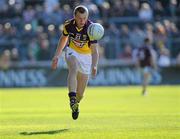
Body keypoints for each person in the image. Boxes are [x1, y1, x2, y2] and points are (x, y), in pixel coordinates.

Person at [51, 5, 99, 120]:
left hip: (86, 56)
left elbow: (95, 51)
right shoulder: (68, 24)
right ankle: (72, 98)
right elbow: (63, 39)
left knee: (81, 94)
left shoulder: (91, 28)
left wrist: (94, 65)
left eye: (84, 18)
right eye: (79, 18)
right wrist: (57, 55)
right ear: (74, 17)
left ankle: (75, 104)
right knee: (73, 68)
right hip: (72, 51)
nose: (82, 21)